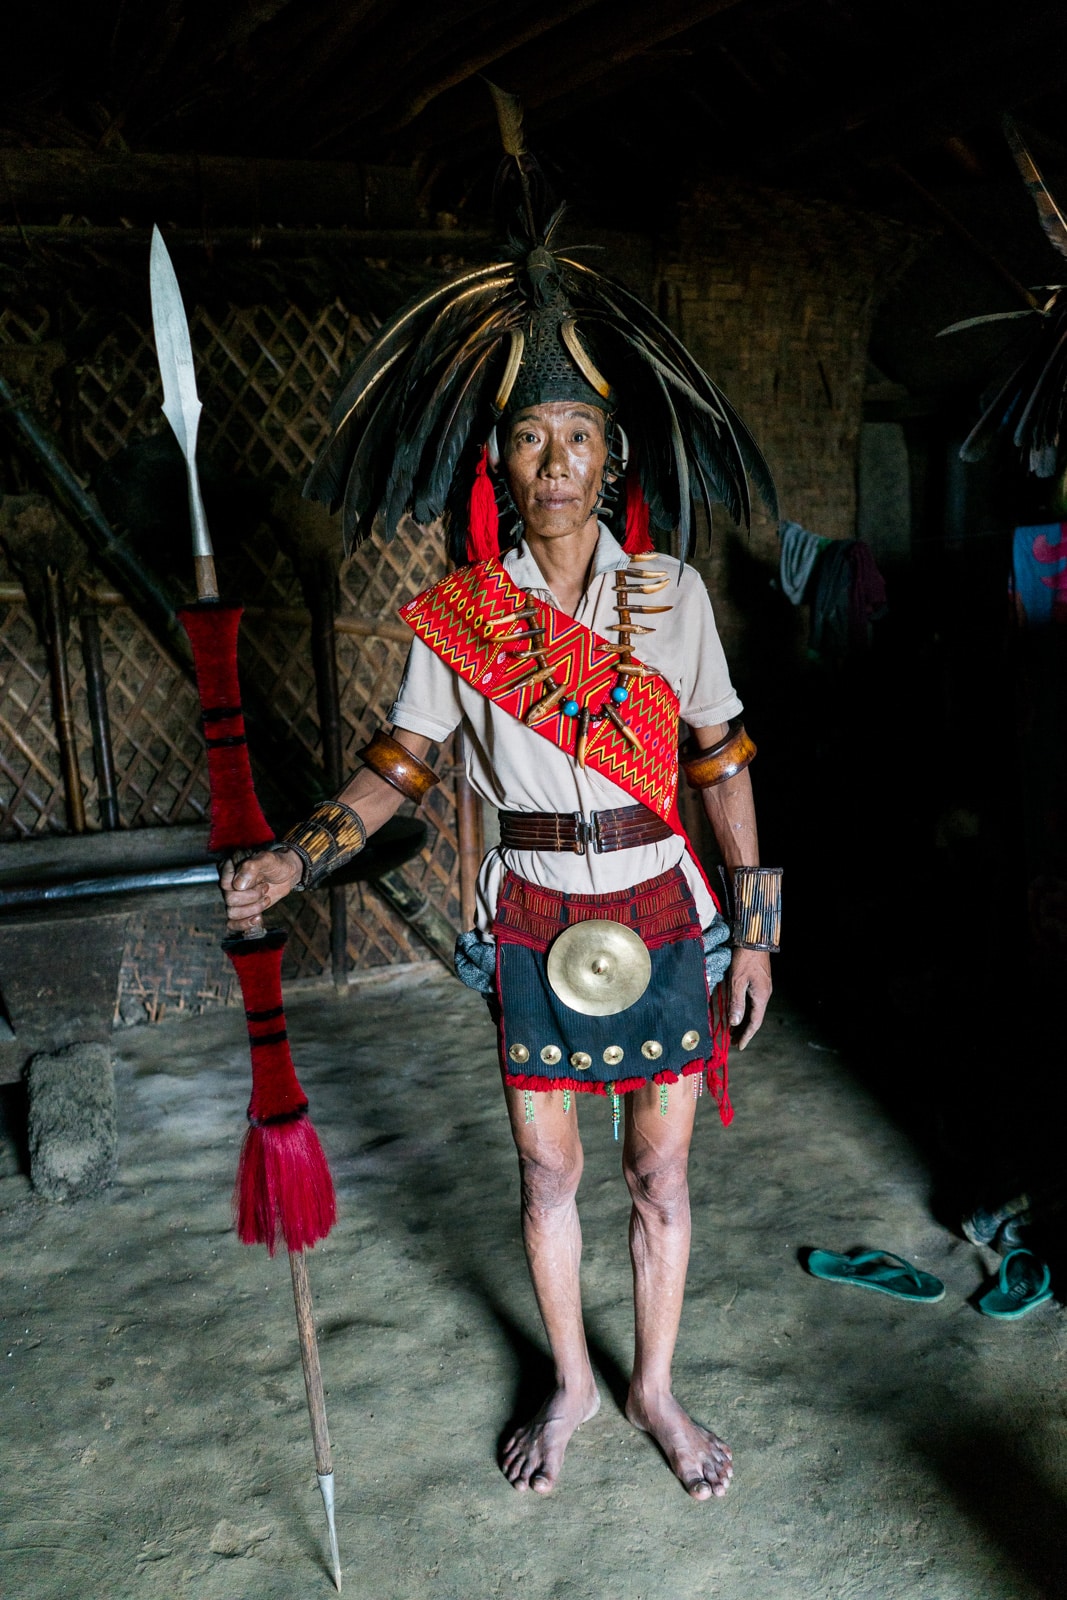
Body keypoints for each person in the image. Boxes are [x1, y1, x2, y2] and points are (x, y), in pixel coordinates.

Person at [221, 125, 780, 1502]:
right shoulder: (464, 619)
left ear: (611, 453)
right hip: (532, 910)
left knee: (659, 1181)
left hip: (662, 894)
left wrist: (757, 925)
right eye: (532, 434)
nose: (555, 457)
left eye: (577, 433)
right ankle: (575, 1383)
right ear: (501, 456)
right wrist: (297, 856)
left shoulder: (674, 598)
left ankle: (653, 1384)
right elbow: (398, 764)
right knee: (544, 1186)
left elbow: (720, 757)